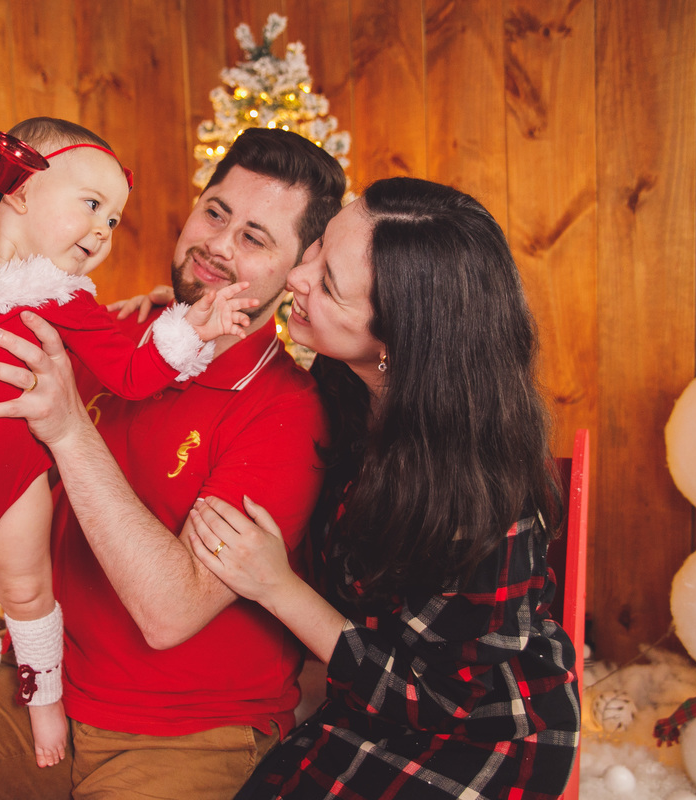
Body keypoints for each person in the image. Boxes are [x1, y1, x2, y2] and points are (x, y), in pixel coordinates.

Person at [0, 127, 346, 799]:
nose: (218, 244)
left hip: (184, 731)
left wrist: (68, 428)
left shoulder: (285, 412)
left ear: (295, 270)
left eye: (256, 238)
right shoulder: (113, 330)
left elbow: (169, 614)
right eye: (216, 213)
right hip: (50, 683)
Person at [0, 117, 256, 767]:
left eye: (113, 220)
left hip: (14, 485)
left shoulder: (62, 298)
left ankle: (40, 692)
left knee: (23, 590)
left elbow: (129, 372)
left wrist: (194, 328)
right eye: (92, 205)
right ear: (18, 189)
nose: (104, 231)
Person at [185, 177, 582, 798]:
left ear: (400, 340)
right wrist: (174, 327)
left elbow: (437, 699)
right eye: (316, 247)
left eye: (330, 283)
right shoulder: (348, 384)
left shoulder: (479, 497)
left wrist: (276, 587)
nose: (298, 275)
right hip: (363, 678)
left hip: (474, 725)